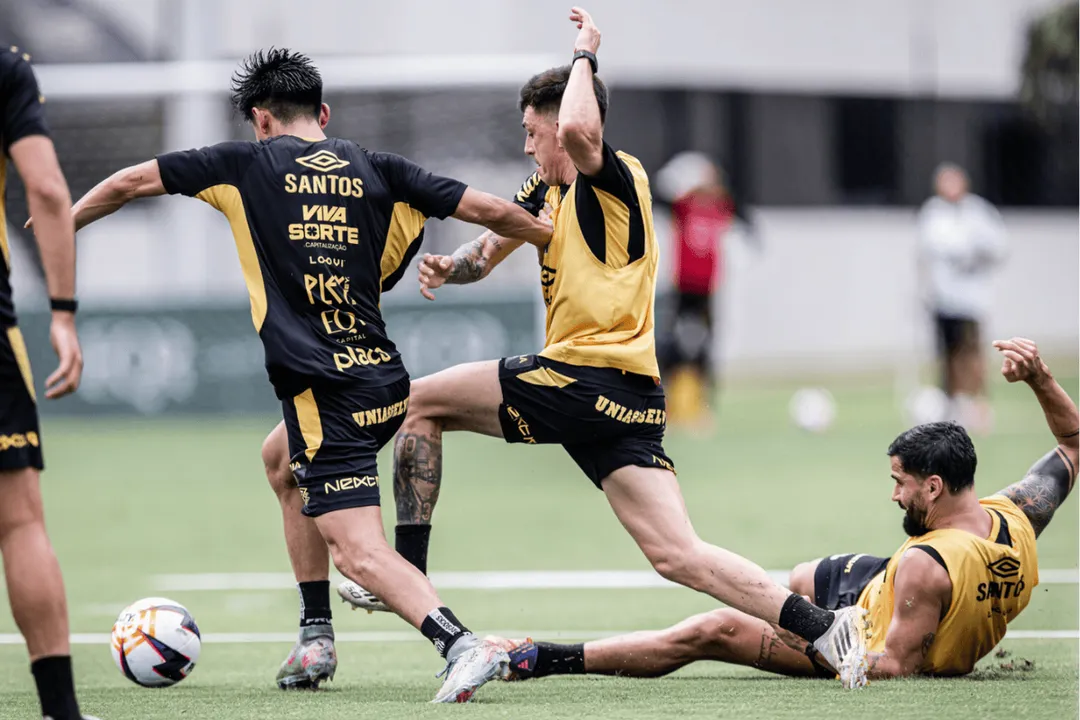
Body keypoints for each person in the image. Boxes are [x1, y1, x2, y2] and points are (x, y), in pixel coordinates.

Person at [277, 6, 871, 690]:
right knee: (679, 555)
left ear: (560, 125)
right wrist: (450, 268)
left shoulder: (609, 176)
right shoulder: (548, 188)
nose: (528, 148)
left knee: (418, 403)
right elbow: (490, 249)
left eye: (533, 133)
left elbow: (581, 130)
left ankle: (406, 575)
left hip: (584, 375)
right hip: (629, 396)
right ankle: (824, 627)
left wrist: (585, 53)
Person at [58, 48, 552, 704]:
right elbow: (490, 209)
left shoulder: (241, 165)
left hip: (328, 393)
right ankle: (316, 633)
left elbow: (126, 184)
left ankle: (462, 645)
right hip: (384, 381)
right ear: (323, 113)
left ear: (261, 120)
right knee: (279, 459)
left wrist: (60, 225)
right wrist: (551, 238)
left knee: (357, 552)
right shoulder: (381, 167)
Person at [491, 337, 1074, 682]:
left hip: (869, 633)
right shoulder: (1018, 514)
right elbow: (1073, 445)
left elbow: (896, 667)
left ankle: (538, 658)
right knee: (802, 579)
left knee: (712, 629)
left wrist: (815, 640)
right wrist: (1041, 379)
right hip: (895, 587)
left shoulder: (926, 565)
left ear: (935, 486)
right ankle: (806, 607)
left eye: (900, 483)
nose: (893, 495)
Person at [0, 46, 94, 720]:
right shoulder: (7, 68)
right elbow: (49, 190)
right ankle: (60, 711)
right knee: (19, 521)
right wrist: (62, 312)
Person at [918, 163, 1007, 433]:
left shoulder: (978, 212)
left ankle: (979, 405)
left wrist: (974, 254)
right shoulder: (933, 214)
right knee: (948, 354)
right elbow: (925, 254)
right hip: (943, 300)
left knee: (972, 353)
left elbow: (999, 247)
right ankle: (954, 405)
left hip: (971, 301)